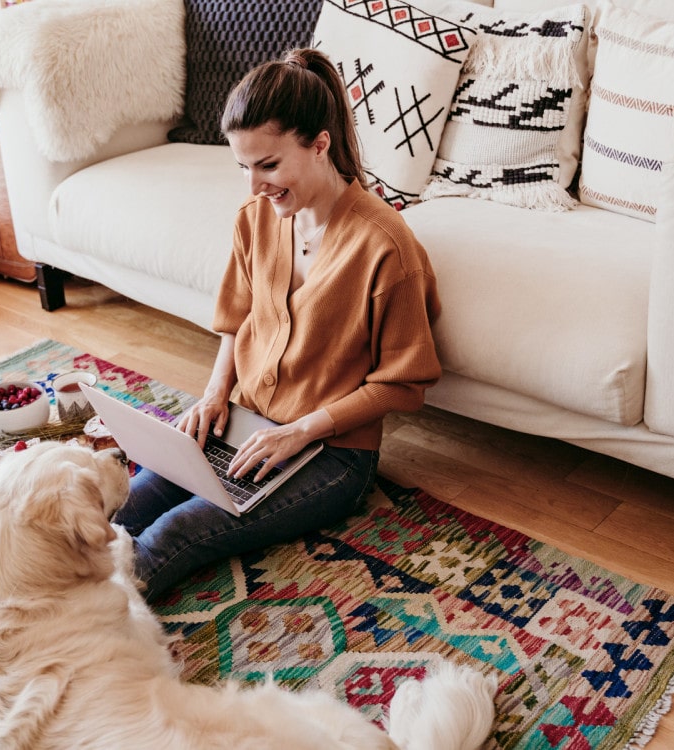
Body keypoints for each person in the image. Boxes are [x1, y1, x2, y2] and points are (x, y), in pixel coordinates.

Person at [113, 48, 442, 602]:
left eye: (267, 166)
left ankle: (70, 638)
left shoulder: (386, 247)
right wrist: (215, 394)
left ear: (320, 144)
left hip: (331, 454)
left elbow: (403, 383)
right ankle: (21, 595)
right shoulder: (255, 219)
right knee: (126, 506)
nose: (253, 186)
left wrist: (300, 430)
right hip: (244, 422)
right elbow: (236, 318)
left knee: (177, 532)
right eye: (243, 166)